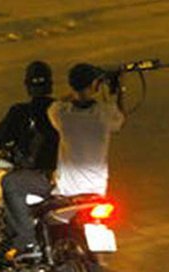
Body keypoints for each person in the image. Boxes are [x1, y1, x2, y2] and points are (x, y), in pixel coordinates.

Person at [0, 61, 59, 262]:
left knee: (7, 183)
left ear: (27, 86)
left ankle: (25, 241)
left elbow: (0, 138)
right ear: (51, 85)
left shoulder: (20, 111)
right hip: (66, 176)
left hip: (39, 177)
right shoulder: (63, 110)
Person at [47, 63, 125, 198]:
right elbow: (120, 120)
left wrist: (75, 93)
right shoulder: (105, 113)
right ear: (95, 85)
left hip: (67, 190)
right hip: (96, 189)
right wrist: (120, 90)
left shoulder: (60, 113)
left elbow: (57, 103)